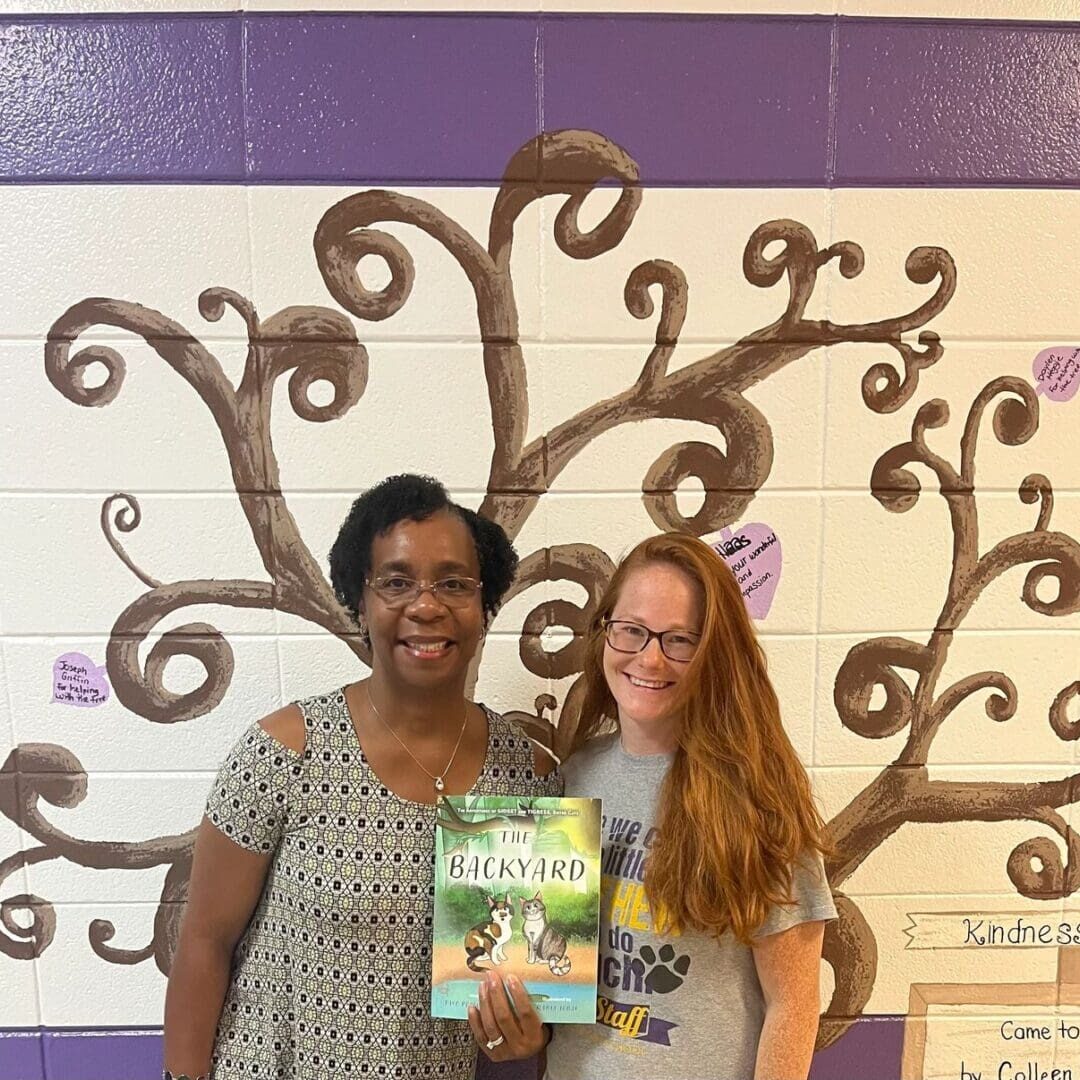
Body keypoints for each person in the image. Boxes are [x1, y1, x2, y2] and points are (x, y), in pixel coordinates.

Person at [163, 473, 561, 1080]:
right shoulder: (285, 753)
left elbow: (528, 979)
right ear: (361, 602)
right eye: (397, 583)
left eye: (454, 583)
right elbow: (203, 941)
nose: (426, 605)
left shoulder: (526, 777)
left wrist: (526, 1035)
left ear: (485, 606)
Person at [539, 531, 836, 1080]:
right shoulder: (575, 777)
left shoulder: (756, 798)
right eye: (631, 631)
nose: (649, 658)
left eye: (680, 639)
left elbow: (793, 1007)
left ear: (714, 653)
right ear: (605, 633)